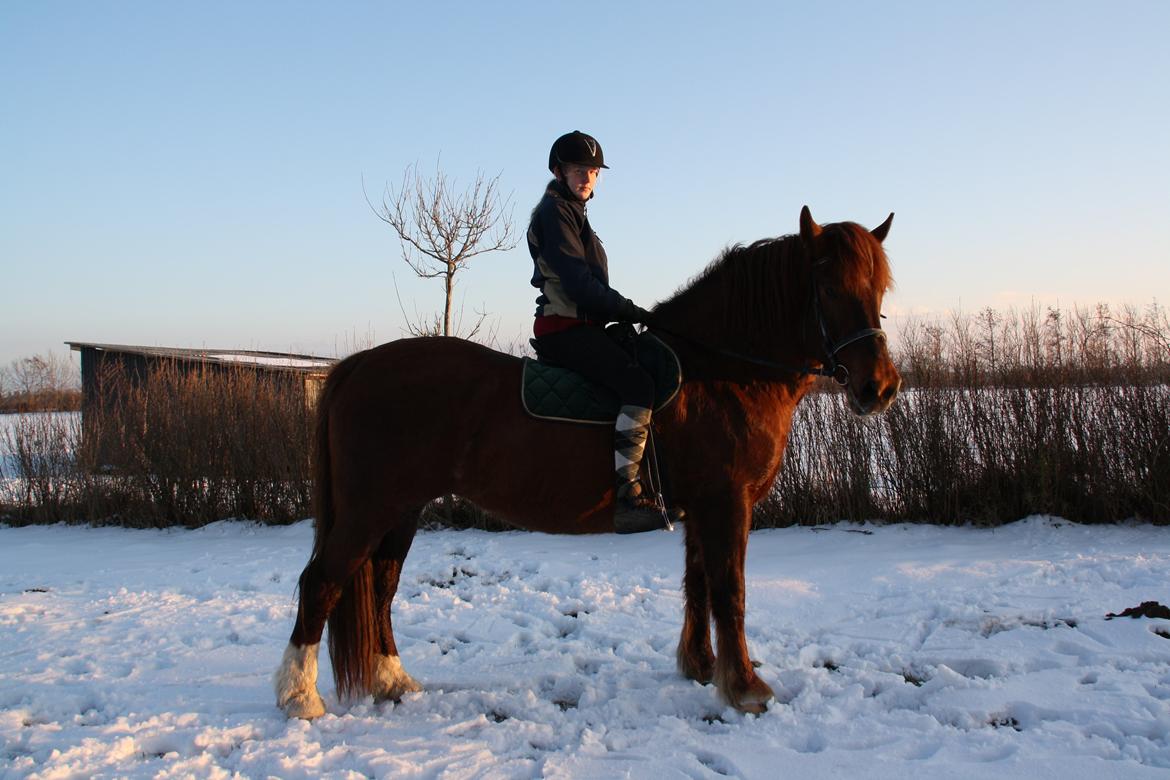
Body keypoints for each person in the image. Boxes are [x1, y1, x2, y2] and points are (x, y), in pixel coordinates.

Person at [528, 130, 665, 534]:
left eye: (593, 171)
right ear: (559, 172)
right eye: (578, 170)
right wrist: (629, 309)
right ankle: (627, 498)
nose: (587, 177)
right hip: (564, 326)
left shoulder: (573, 213)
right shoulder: (555, 213)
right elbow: (580, 285)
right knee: (639, 385)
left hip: (583, 324)